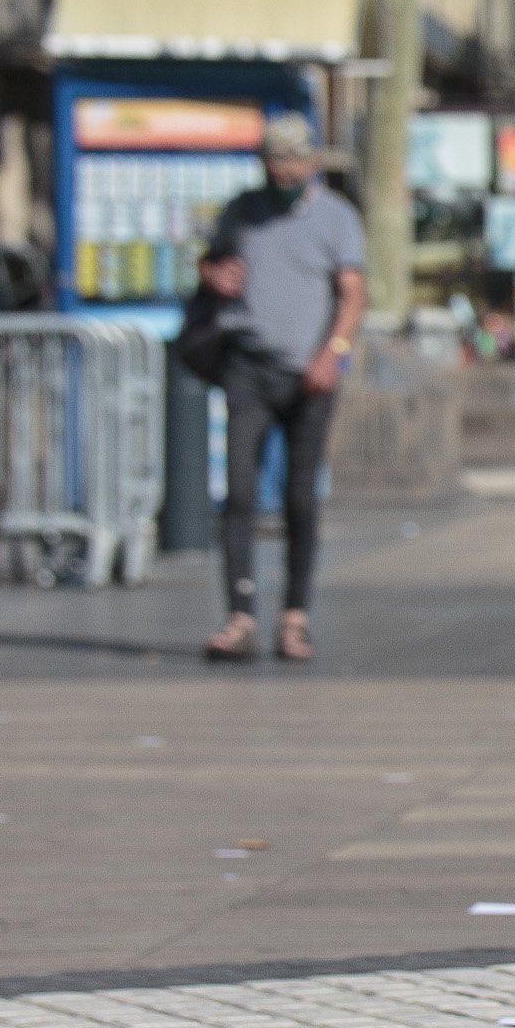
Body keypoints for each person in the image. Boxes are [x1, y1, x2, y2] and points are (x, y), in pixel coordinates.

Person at [196, 112, 366, 664]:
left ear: (313, 159)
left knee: (299, 497)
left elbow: (352, 292)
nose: (283, 169)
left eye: (293, 158)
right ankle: (239, 614)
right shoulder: (242, 212)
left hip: (310, 374)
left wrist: (333, 353)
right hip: (248, 366)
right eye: (274, 159)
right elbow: (213, 262)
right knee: (240, 494)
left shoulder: (337, 218)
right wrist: (212, 275)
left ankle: (295, 618)